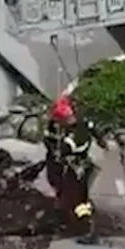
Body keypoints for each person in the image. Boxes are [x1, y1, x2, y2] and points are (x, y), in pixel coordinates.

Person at [44, 95, 96, 240]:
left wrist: (58, 151)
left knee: (77, 200)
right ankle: (74, 224)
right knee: (75, 197)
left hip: (77, 169)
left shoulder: (75, 135)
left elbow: (66, 148)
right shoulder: (80, 126)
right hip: (76, 168)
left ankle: (86, 228)